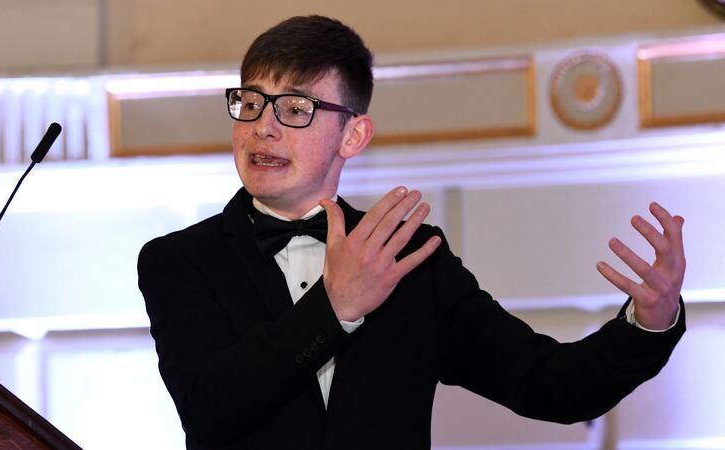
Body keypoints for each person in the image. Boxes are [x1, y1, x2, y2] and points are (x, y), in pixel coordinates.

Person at [138, 15, 686, 450]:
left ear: (352, 136)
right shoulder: (179, 261)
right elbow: (211, 410)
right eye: (251, 103)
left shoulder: (411, 259)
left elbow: (553, 385)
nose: (263, 126)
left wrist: (649, 325)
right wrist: (336, 307)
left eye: (296, 108)